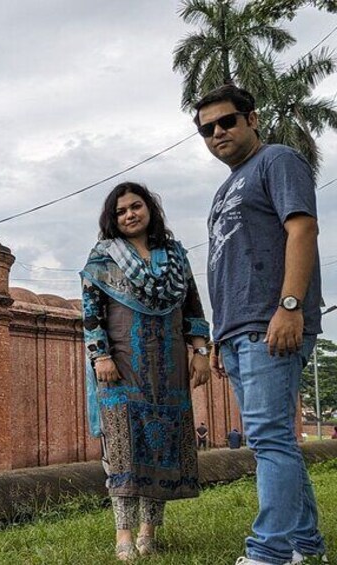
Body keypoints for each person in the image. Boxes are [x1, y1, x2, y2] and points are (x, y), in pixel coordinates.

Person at [194, 84, 327, 565]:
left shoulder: (278, 160)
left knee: (269, 438)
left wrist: (290, 305)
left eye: (226, 121)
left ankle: (269, 551)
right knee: (274, 441)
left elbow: (303, 228)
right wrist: (217, 334)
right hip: (237, 330)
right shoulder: (225, 187)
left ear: (251, 118)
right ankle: (305, 545)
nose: (217, 133)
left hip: (271, 322)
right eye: (207, 129)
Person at [81, 181, 211, 561]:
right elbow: (91, 314)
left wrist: (200, 351)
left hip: (168, 366)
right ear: (112, 218)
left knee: (163, 445)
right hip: (120, 364)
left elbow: (192, 304)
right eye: (120, 211)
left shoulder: (174, 256)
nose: (129, 215)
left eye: (136, 206)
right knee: (122, 448)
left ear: (150, 209)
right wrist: (100, 356)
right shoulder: (103, 258)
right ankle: (123, 535)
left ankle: (148, 533)